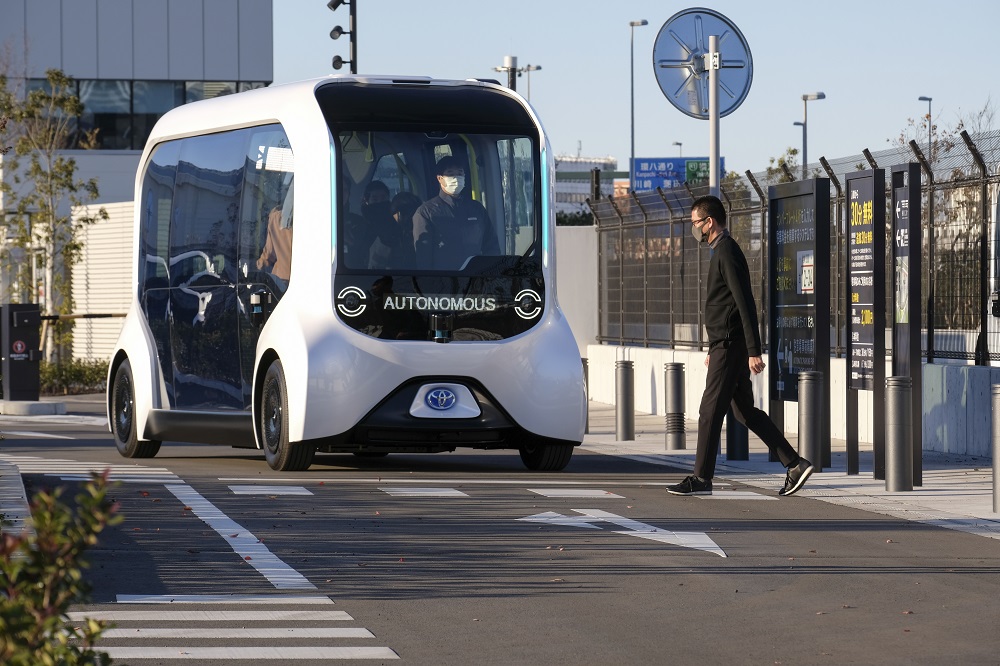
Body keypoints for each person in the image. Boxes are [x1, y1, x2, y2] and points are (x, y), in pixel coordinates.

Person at [667, 195, 813, 497]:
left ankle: (702, 478)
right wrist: (713, 347)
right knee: (744, 412)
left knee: (709, 412)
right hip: (724, 345)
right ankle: (794, 464)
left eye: (696, 223)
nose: (695, 229)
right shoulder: (720, 251)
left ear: (710, 222)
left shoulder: (726, 252)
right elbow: (726, 306)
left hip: (731, 346)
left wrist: (752, 350)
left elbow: (744, 302)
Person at [412, 155, 500, 270]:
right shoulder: (426, 212)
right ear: (440, 178)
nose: (456, 177)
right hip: (444, 280)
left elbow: (491, 245)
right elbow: (423, 257)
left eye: (460, 173)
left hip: (475, 278)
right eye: (450, 173)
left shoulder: (476, 208)